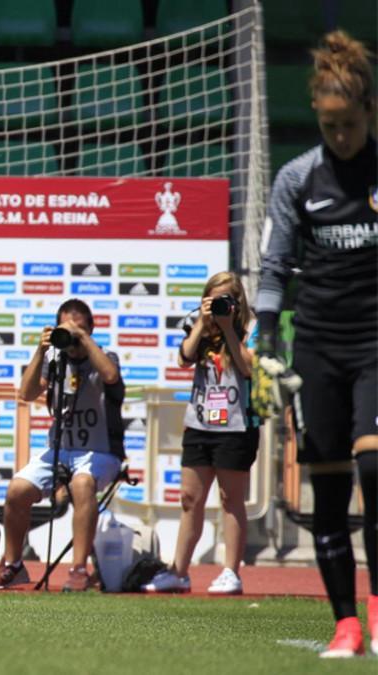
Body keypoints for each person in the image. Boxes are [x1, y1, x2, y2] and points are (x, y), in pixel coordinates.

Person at [257, 30, 377, 658]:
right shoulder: (297, 178)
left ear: (369, 113)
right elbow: (275, 265)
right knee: (326, 489)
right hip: (319, 347)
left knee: (375, 466)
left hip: (376, 343)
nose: (339, 137)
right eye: (328, 126)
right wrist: (266, 335)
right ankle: (347, 625)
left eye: (349, 125)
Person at [0, 298, 124, 593]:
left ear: (91, 329)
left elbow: (110, 376)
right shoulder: (55, 361)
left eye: (79, 329)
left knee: (82, 483)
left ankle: (79, 568)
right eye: (66, 329)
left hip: (101, 452)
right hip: (61, 449)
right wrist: (42, 349)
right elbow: (27, 392)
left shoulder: (105, 356)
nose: (71, 337)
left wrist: (83, 338)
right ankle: (13, 564)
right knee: (17, 489)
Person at [145, 272, 257, 595]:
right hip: (199, 422)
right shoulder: (198, 325)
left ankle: (231, 571)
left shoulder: (249, 328)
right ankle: (179, 572)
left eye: (226, 300)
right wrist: (202, 323)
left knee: (229, 498)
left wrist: (228, 328)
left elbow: (248, 368)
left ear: (237, 302)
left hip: (236, 425)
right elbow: (183, 359)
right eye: (214, 298)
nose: (220, 305)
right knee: (189, 499)